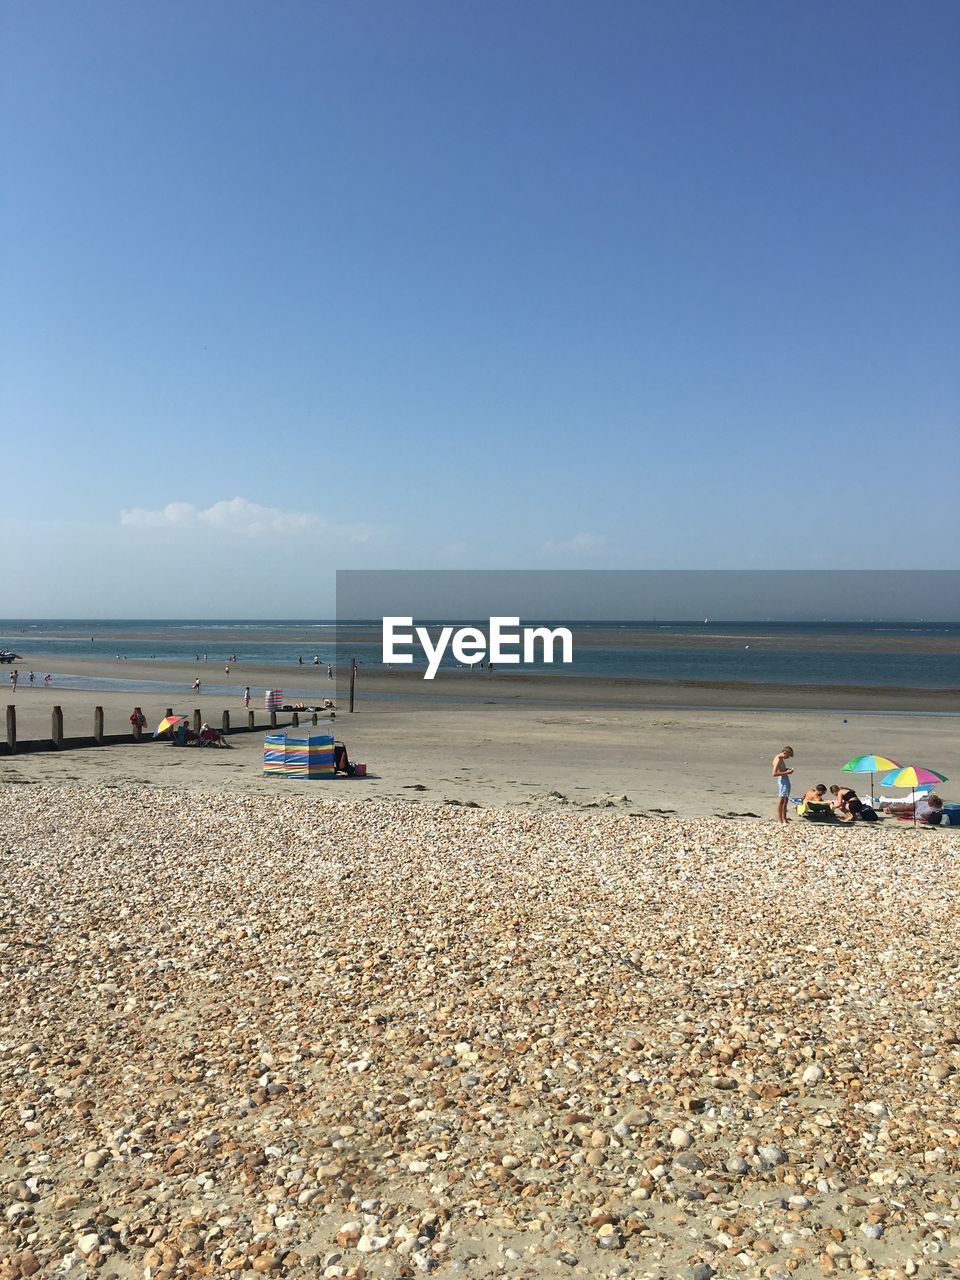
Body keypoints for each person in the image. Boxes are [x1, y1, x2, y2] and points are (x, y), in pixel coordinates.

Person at [772, 746, 794, 823]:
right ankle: (780, 819)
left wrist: (786, 770)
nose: (788, 758)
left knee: (785, 800)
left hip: (784, 779)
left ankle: (784, 818)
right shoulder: (778, 759)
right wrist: (787, 772)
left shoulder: (780, 759)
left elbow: (780, 770)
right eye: (788, 756)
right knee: (781, 800)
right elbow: (774, 773)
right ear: (785, 753)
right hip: (782, 780)